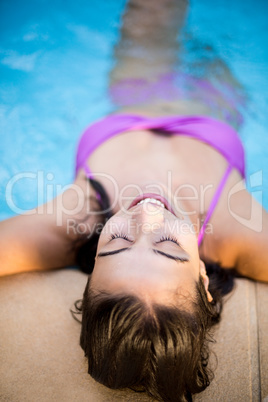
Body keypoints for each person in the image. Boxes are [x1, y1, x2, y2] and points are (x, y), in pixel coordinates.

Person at [0, 0, 267, 401]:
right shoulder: (234, 227)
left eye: (117, 243)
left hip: (137, 90)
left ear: (89, 276)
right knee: (217, 52)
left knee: (151, 9)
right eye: (169, 246)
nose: (147, 216)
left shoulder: (77, 215)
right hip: (212, 106)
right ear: (203, 282)